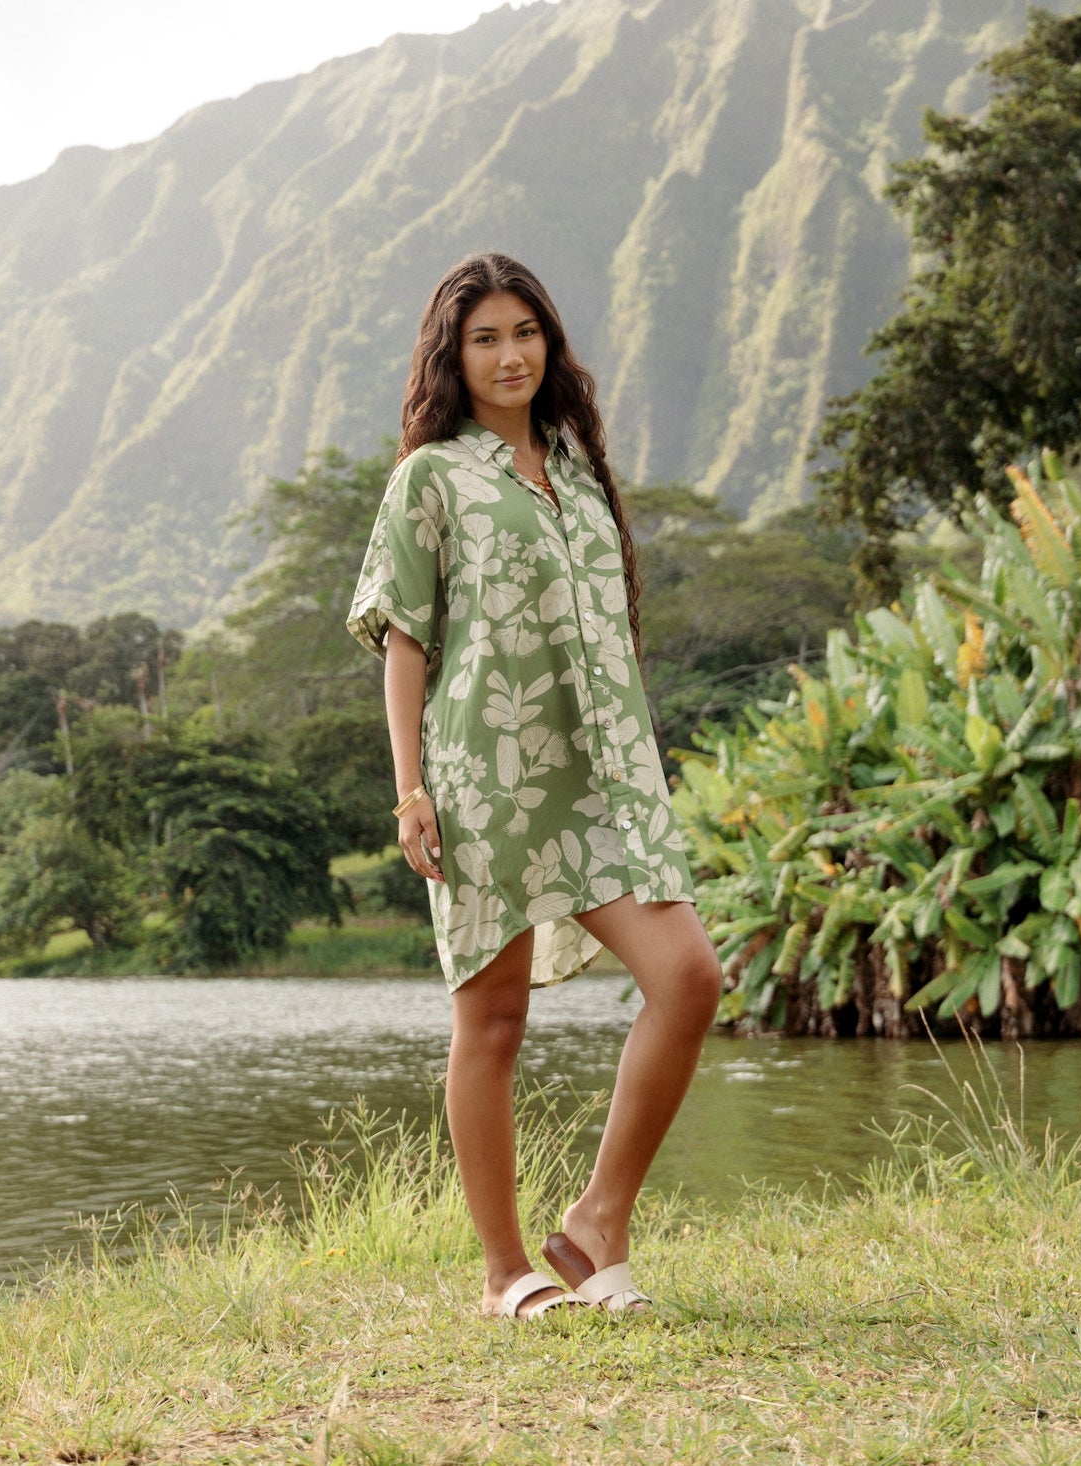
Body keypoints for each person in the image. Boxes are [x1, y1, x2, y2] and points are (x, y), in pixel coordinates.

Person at [345, 251, 722, 1319]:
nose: (509, 355)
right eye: (484, 338)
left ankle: (597, 1221)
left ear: (548, 342)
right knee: (493, 1019)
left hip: (607, 774)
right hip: (487, 772)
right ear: (451, 357)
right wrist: (411, 788)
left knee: (688, 975)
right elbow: (405, 640)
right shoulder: (432, 476)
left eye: (525, 332)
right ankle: (505, 1268)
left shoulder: (578, 462)